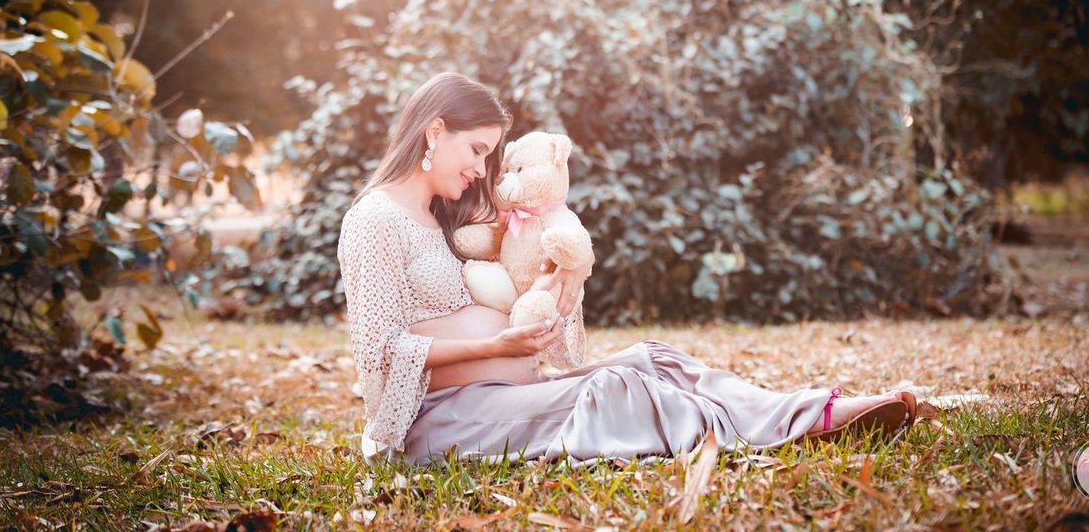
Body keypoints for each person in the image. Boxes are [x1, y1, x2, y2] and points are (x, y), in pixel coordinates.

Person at [337, 72, 916, 467]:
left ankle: (815, 408)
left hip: (491, 396)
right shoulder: (375, 220)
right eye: (478, 150)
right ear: (435, 131)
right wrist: (499, 343)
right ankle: (810, 425)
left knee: (652, 356)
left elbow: (500, 283)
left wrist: (554, 283)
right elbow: (378, 351)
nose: (482, 168)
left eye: (491, 153)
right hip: (438, 424)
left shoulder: (439, 216)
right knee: (620, 388)